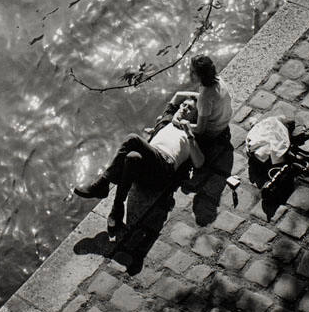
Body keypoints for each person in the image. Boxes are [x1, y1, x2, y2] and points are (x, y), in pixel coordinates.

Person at [74, 98, 204, 233]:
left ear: (194, 117)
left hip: (164, 170)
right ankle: (116, 210)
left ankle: (102, 184)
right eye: (183, 105)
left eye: (190, 108)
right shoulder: (166, 121)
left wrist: (189, 133)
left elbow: (199, 163)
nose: (184, 108)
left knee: (133, 138)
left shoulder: (191, 134)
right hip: (147, 173)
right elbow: (177, 96)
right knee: (132, 158)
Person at [170, 55, 232, 147]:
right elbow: (211, 98)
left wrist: (178, 123)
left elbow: (200, 129)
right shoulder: (217, 79)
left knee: (173, 129)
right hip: (224, 120)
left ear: (201, 75)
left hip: (214, 131)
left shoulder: (205, 97)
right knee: (181, 97)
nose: (189, 74)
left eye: (192, 72)